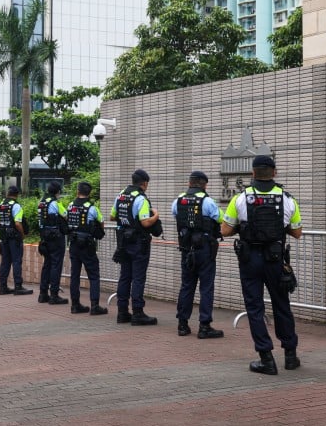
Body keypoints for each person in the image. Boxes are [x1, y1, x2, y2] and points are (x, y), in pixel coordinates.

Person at [221, 155, 302, 374]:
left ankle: (266, 358)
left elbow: (225, 230)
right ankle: (291, 356)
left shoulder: (240, 198)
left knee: (255, 308)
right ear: (274, 173)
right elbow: (297, 233)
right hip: (275, 260)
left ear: (253, 173)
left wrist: (244, 227)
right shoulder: (287, 199)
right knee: (281, 304)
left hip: (250, 260)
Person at [172, 171, 224, 339]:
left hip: (186, 249)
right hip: (204, 250)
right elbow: (220, 219)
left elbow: (177, 216)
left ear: (189, 183)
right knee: (206, 287)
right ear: (204, 185)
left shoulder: (178, 200)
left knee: (187, 285)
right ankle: (204, 326)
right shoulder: (207, 201)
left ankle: (182, 324)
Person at [110, 169, 161, 326]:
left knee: (125, 276)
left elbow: (113, 216)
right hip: (138, 243)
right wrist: (156, 216)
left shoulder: (121, 195)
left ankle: (122, 312)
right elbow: (145, 222)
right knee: (138, 278)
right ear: (144, 183)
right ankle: (138, 313)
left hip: (123, 242)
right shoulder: (141, 199)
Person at [66, 182, 108, 315]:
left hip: (73, 243)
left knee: (75, 275)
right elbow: (101, 222)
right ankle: (95, 306)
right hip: (87, 245)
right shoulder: (92, 208)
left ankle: (75, 305)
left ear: (77, 192)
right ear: (89, 193)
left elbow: (68, 220)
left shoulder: (70, 206)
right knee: (94, 275)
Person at [0, 186, 33, 295]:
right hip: (14, 237)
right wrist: (22, 235)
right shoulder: (16, 206)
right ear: (17, 194)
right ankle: (18, 286)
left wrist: (4, 230)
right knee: (16, 261)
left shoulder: (2, 205)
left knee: (5, 261)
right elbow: (18, 223)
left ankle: (3, 287)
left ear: (8, 193)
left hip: (4, 237)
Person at [37, 182, 69, 305]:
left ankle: (43, 294)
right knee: (56, 264)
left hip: (44, 236)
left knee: (47, 264)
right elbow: (66, 216)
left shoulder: (42, 202)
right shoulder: (55, 203)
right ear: (57, 192)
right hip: (55, 237)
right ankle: (54, 295)